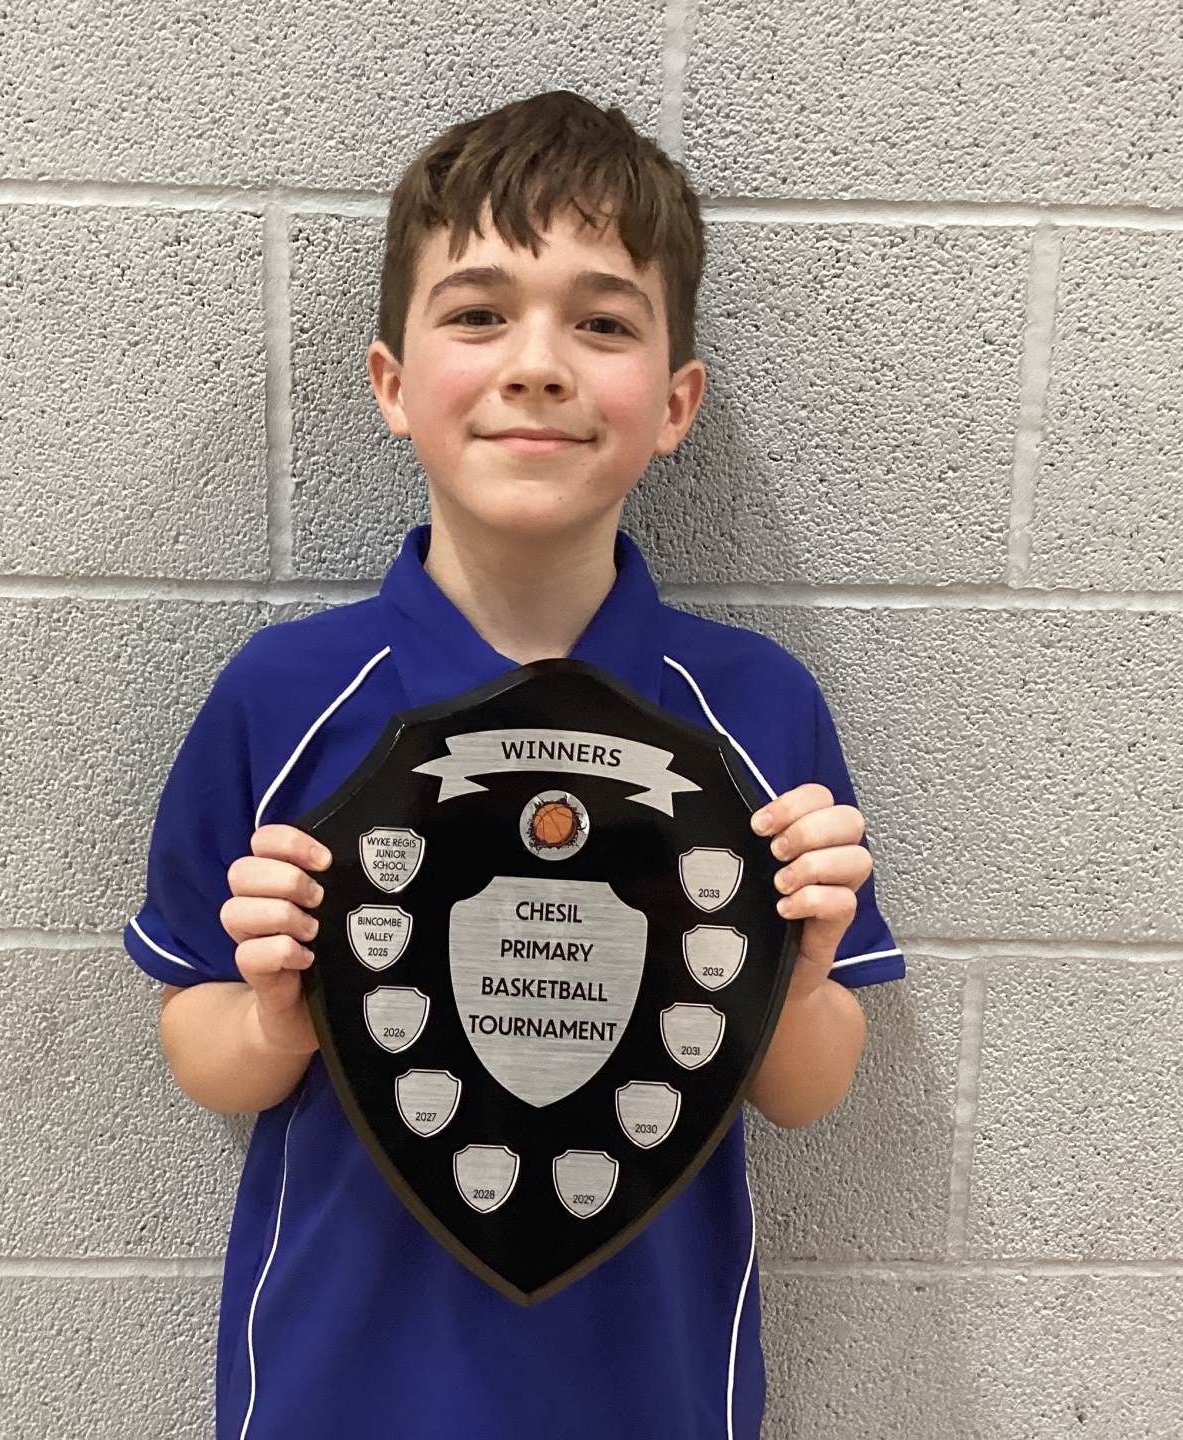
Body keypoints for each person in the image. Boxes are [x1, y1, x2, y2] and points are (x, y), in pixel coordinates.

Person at [123, 89, 906, 1440]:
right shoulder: (284, 695)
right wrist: (273, 1021)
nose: (537, 365)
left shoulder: (752, 709)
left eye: (601, 323)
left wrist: (797, 973)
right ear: (391, 384)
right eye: (479, 313)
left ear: (675, 403)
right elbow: (199, 1040)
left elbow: (806, 1090)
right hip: (341, 1392)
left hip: (651, 1393)